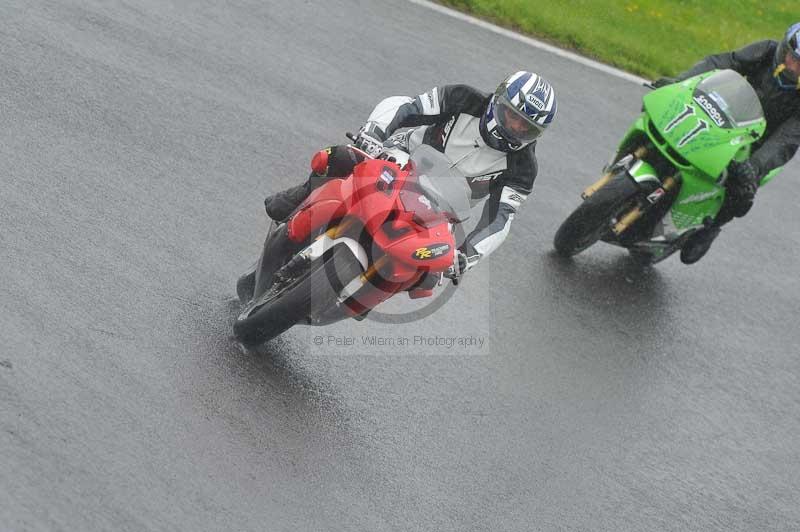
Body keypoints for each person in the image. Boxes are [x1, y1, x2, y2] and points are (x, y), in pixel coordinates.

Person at [263, 71, 557, 280]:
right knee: (340, 158)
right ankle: (298, 198)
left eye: (525, 127)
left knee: (426, 277)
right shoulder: (463, 98)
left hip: (441, 214)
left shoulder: (523, 169)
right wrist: (375, 133)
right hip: (400, 161)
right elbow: (408, 107)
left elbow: (499, 220)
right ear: (498, 101)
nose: (515, 128)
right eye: (512, 116)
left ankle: (361, 291)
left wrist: (466, 255)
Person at [653, 23, 800, 264]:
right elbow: (721, 62)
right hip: (725, 114)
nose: (793, 66)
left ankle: (710, 228)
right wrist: (679, 83)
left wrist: (754, 166)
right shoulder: (765, 51)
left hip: (759, 147)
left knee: (742, 190)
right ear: (785, 47)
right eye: (792, 57)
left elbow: (785, 140)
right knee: (672, 117)